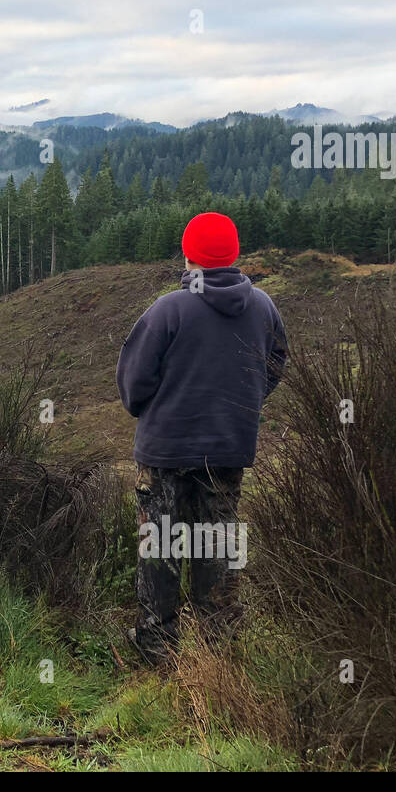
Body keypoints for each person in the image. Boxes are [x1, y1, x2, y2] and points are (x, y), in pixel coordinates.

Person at [115, 211, 286, 664]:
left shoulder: (168, 308)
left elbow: (133, 380)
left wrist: (151, 409)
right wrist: (245, 403)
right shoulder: (264, 307)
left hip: (164, 451)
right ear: (234, 255)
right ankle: (220, 655)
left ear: (189, 255)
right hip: (228, 451)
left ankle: (158, 653)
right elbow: (275, 365)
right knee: (218, 546)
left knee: (161, 549)